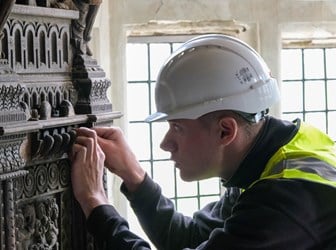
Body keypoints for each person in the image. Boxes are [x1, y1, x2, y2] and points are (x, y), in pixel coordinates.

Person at [70, 34, 336, 249]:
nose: (165, 144)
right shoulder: (264, 161)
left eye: (176, 127)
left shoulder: (284, 201)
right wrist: (135, 178)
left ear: (225, 131)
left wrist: (96, 204)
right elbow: (191, 239)